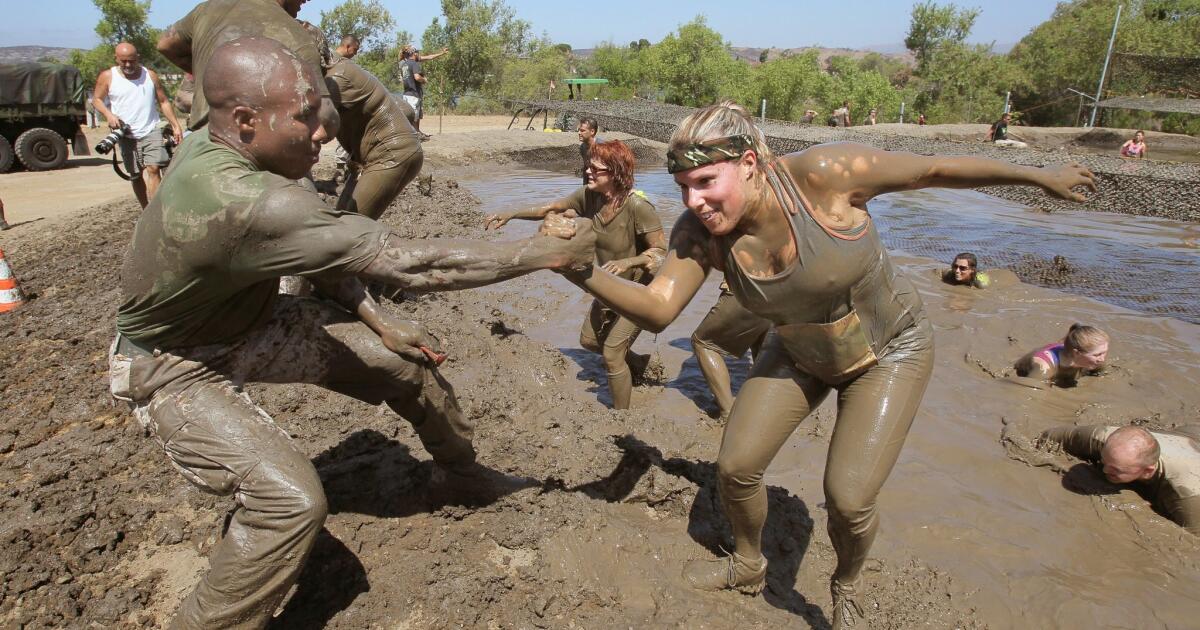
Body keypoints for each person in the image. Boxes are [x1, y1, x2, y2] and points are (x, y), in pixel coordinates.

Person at [110, 37, 594, 629]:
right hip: (172, 363)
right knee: (288, 503)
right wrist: (538, 254)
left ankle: (460, 476)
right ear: (243, 121)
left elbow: (319, 256)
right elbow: (411, 265)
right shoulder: (242, 199)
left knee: (404, 364)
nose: (322, 131)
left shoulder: (232, 150)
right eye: (304, 116)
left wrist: (380, 319)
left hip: (252, 320)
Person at [556, 101, 1096, 627]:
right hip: (799, 351)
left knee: (848, 498)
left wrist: (1037, 176)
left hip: (891, 351)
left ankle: (849, 582)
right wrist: (579, 269)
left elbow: (932, 169)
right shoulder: (698, 235)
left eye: (705, 182)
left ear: (749, 164)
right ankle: (748, 564)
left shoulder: (824, 175)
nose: (693, 200)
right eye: (683, 187)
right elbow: (658, 309)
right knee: (736, 467)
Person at [484, 140, 667, 410]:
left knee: (612, 353)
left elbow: (662, 252)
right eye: (588, 166)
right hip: (609, 286)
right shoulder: (589, 196)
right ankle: (639, 365)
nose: (588, 171)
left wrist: (630, 261)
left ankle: (623, 418)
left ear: (616, 173)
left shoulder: (638, 207)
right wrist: (512, 213)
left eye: (596, 168)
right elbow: (551, 209)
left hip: (639, 291)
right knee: (590, 341)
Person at [156, 0, 335, 136]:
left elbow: (165, 44)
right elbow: (324, 114)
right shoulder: (295, 34)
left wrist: (209, 74)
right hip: (266, 146)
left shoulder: (208, 9)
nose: (306, 1)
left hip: (205, 138)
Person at [301, 21, 423, 220]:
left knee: (349, 229)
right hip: (371, 156)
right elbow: (406, 109)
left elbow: (313, 128)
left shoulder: (336, 77)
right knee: (339, 219)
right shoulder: (338, 70)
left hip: (391, 157)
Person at [1038, 424, 1200, 535]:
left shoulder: (1186, 494)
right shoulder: (1102, 439)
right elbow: (1048, 436)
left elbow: (1192, 545)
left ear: (1147, 470)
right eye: (1103, 461)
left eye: (1115, 470)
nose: (1104, 469)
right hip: (1180, 437)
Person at [91, 42, 184, 208]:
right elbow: (97, 100)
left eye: (132, 61)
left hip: (151, 129)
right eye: (123, 61)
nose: (128, 65)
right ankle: (145, 209)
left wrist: (175, 125)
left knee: (154, 168)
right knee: (135, 174)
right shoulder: (108, 76)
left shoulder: (150, 76)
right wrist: (109, 115)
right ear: (116, 59)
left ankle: (156, 211)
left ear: (137, 58)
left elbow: (163, 101)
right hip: (125, 134)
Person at [690, 281, 771, 422]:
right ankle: (765, 411)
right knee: (762, 348)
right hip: (787, 291)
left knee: (703, 343)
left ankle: (728, 416)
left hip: (751, 287)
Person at [1014, 324, 1109, 387]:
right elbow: (1026, 394)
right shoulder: (1043, 368)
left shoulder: (1096, 361)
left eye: (1104, 352)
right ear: (1076, 353)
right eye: (1097, 355)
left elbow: (1101, 374)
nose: (1102, 359)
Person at [400, 45, 449, 136]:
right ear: (414, 53)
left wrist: (442, 53)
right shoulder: (413, 63)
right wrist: (424, 80)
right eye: (417, 53)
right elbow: (417, 77)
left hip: (406, 93)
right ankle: (414, 134)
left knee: (415, 114)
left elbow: (429, 57)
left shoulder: (404, 64)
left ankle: (417, 132)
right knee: (414, 115)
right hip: (413, 93)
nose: (419, 54)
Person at [578, 116, 599, 185]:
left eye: (582, 131)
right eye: (579, 130)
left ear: (592, 131)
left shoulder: (602, 147)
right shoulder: (582, 147)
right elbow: (586, 168)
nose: (579, 133)